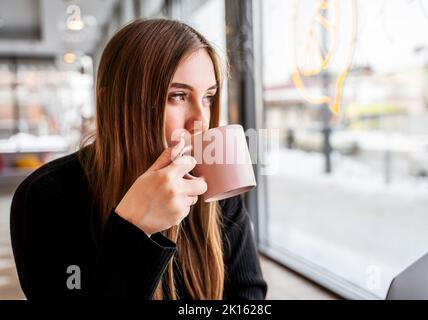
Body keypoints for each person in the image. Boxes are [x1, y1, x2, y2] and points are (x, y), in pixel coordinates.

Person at [10, 18, 267, 300]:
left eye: (208, 97)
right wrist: (133, 228)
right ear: (115, 104)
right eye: (178, 96)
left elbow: (249, 295)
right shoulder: (46, 196)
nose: (201, 119)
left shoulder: (214, 183)